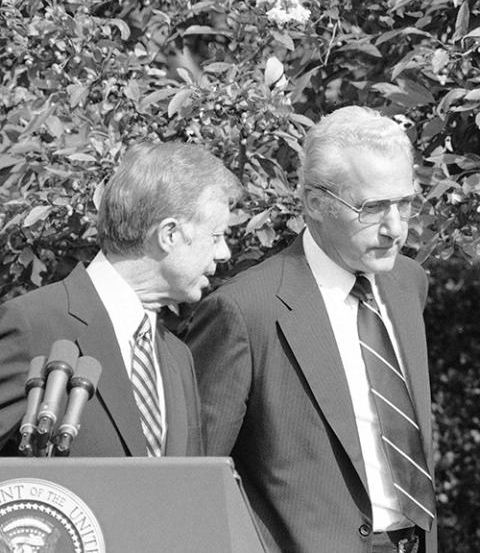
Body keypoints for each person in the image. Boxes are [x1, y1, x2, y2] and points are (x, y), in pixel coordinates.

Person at [185, 106, 437, 553]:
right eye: (373, 208)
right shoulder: (244, 311)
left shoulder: (407, 283)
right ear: (315, 204)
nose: (395, 228)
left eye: (405, 203)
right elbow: (197, 480)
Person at [0, 141, 241, 458]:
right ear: (169, 235)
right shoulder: (32, 326)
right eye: (216, 236)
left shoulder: (177, 356)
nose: (224, 253)